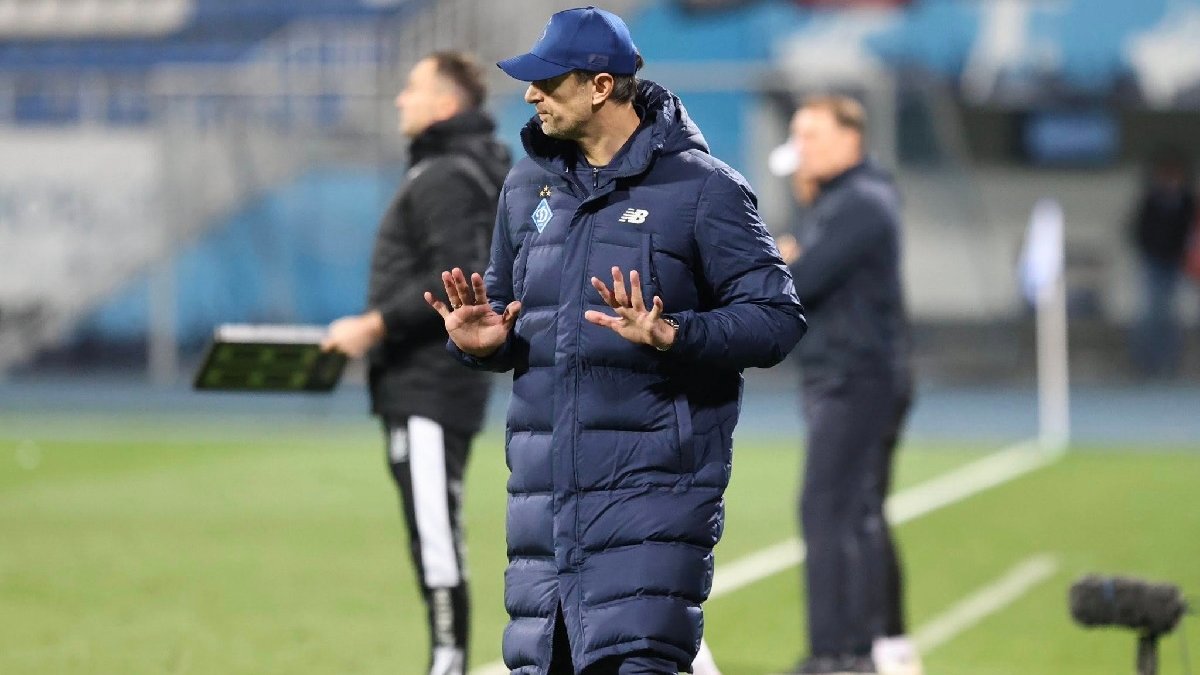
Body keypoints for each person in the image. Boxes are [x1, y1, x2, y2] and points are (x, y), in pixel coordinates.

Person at [422, 7, 806, 674]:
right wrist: (481, 342)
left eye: (548, 81)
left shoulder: (704, 190)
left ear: (601, 86)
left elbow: (778, 317)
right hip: (545, 515)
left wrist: (674, 333)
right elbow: (510, 308)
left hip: (653, 504)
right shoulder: (527, 187)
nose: (530, 95)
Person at [321, 51, 510, 675]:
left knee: (435, 534)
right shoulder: (457, 168)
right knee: (431, 530)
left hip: (430, 381)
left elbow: (458, 274)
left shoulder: (447, 174)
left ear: (446, 104)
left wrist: (373, 324)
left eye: (412, 87)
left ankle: (447, 664)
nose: (401, 98)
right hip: (429, 380)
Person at [773, 96, 920, 675]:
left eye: (811, 136)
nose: (801, 150)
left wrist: (786, 261)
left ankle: (838, 654)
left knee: (828, 509)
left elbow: (800, 280)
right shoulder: (845, 199)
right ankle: (877, 646)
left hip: (856, 378)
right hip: (853, 375)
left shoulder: (859, 202)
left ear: (849, 138)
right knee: (857, 511)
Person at [1127, 151, 1195, 379]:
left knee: (1170, 315)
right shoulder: (1151, 200)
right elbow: (1139, 230)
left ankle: (1169, 364)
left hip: (1175, 264)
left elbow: (1189, 232)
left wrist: (1182, 256)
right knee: (1150, 314)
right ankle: (1146, 364)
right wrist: (1151, 252)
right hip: (1154, 262)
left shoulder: (1186, 202)